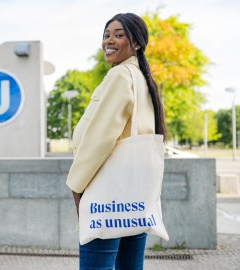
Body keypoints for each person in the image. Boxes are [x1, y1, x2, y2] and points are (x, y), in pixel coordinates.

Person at [66, 13, 167, 270]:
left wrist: (77, 186)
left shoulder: (120, 76)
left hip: (107, 192)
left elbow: (101, 138)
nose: (109, 41)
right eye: (106, 35)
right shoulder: (142, 78)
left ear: (136, 43)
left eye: (119, 35)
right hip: (134, 195)